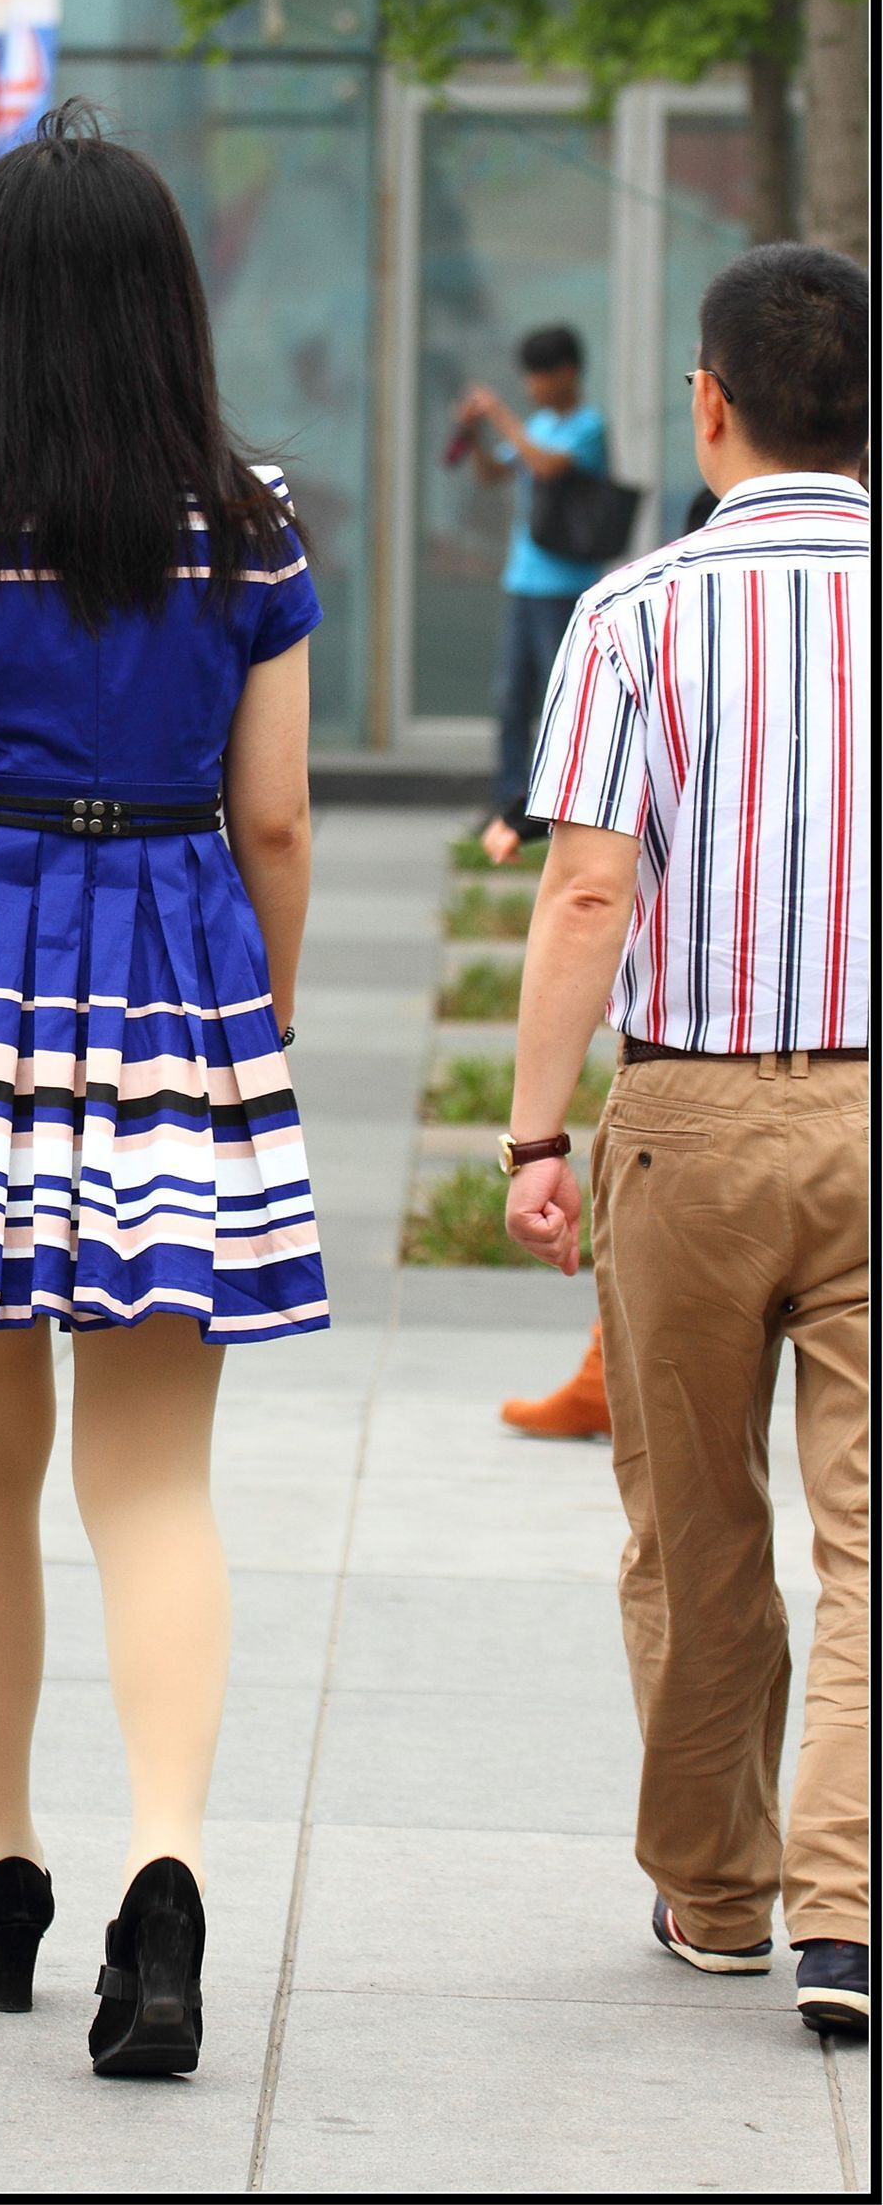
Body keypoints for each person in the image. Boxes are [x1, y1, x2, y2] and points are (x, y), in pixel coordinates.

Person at [0, 100, 327, 2078]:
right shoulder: (252, 517)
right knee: (152, 1474)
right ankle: (166, 1869)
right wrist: (248, 1030)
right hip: (175, 982)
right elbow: (275, 812)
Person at [501, 242, 869, 2037]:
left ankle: (722, 1897)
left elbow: (586, 889)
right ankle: (854, 1915)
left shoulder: (635, 616)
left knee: (697, 1524)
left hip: (693, 1114)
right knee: (872, 1536)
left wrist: (531, 1134)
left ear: (709, 403)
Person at [454, 326, 610, 870]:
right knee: (510, 698)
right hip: (523, 582)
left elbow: (545, 466)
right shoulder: (538, 424)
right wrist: (476, 434)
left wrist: (499, 416)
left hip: (568, 585)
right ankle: (508, 805)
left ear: (565, 372)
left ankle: (555, 809)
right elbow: (495, 472)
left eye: (538, 374)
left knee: (558, 701)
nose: (531, 386)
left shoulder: (588, 427)